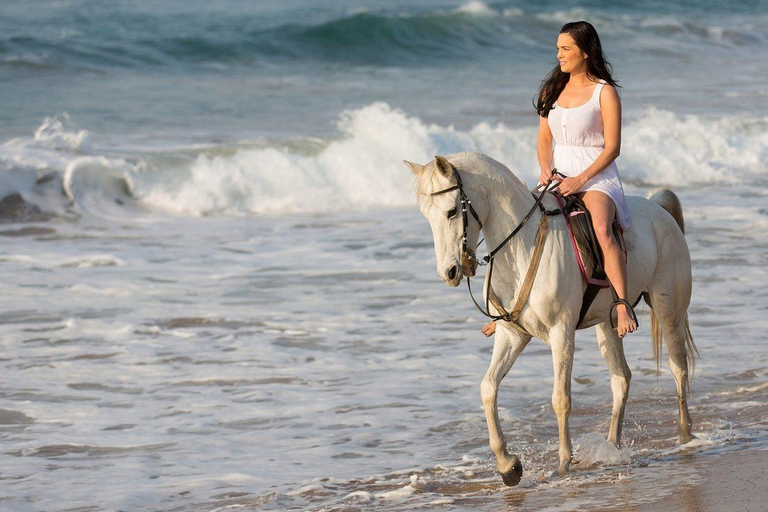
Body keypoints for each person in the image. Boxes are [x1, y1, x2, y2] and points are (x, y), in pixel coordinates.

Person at [482, 21, 637, 339]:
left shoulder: (603, 92)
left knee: (601, 230)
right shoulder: (551, 89)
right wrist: (544, 168)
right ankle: (505, 310)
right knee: (520, 225)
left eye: (565, 49)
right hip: (557, 176)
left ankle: (621, 304)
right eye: (557, 48)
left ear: (585, 51)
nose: (559, 54)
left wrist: (581, 180)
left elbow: (613, 148)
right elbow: (543, 139)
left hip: (595, 177)